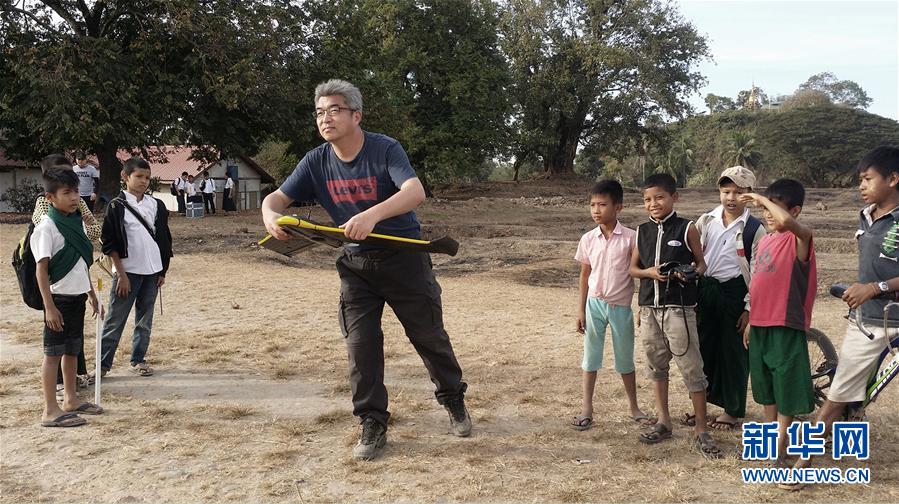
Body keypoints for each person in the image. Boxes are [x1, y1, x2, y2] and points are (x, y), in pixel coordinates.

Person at [262, 79, 470, 461]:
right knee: (361, 347)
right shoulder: (315, 160)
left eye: (335, 110)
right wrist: (270, 216)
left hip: (404, 258)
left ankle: (453, 398)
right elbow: (276, 197)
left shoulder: (384, 148)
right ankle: (372, 421)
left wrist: (372, 215)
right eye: (320, 112)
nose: (326, 118)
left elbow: (414, 191)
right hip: (355, 264)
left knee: (429, 337)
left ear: (356, 115)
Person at [781, 146, 899, 489]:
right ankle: (803, 463)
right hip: (871, 321)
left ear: (893, 179)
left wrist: (874, 287)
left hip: (886, 309)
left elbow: (877, 280)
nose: (861, 185)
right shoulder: (865, 216)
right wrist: (867, 291)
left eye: (867, 179)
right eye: (859, 180)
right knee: (840, 394)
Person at [629, 173, 721, 459]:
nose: (653, 203)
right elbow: (633, 269)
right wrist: (650, 273)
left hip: (679, 309)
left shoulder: (686, 227)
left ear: (674, 198)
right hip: (649, 308)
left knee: (692, 367)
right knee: (657, 367)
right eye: (647, 199)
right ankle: (663, 421)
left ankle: (701, 429)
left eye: (659, 197)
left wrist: (690, 273)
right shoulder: (641, 230)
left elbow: (701, 263)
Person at [739, 179, 817, 469]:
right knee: (766, 386)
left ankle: (780, 447)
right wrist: (750, 320)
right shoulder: (766, 242)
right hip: (759, 324)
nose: (768, 215)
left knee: (786, 386)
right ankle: (771, 440)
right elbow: (758, 284)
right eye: (765, 210)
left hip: (785, 322)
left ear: (795, 211)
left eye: (773, 209)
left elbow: (784, 220)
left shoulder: (801, 238)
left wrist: (760, 198)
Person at [572, 180, 654, 431]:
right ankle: (587, 408)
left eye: (602, 205)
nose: (596, 210)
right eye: (592, 205)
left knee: (625, 360)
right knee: (591, 358)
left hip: (620, 307)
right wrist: (580, 309)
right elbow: (585, 274)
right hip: (594, 305)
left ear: (618, 207)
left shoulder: (631, 238)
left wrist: (643, 306)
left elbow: (639, 273)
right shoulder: (588, 239)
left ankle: (634, 408)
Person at [690, 166, 766, 431]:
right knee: (704, 350)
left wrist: (749, 308)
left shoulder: (755, 229)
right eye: (726, 191)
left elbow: (757, 273)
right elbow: (695, 254)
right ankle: (703, 406)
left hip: (735, 293)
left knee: (734, 353)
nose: (731, 198)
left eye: (739, 192)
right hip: (706, 290)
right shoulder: (706, 220)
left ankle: (732, 410)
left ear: (750, 195)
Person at [32, 165, 103, 427]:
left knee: (73, 351)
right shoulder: (46, 227)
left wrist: (92, 294)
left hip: (77, 299)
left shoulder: (78, 224)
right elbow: (41, 271)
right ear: (50, 197)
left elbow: (82, 263)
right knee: (53, 354)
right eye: (66, 192)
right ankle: (50, 410)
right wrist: (49, 307)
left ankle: (71, 399)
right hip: (58, 300)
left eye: (76, 191)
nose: (74, 198)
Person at [98, 157, 173, 377]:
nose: (143, 181)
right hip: (127, 273)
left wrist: (162, 271)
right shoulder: (116, 206)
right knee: (115, 320)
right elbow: (109, 243)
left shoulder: (156, 205)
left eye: (147, 177)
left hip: (152, 272)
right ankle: (103, 365)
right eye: (139, 176)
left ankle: (138, 359)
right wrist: (120, 274)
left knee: (144, 320)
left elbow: (164, 238)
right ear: (125, 177)